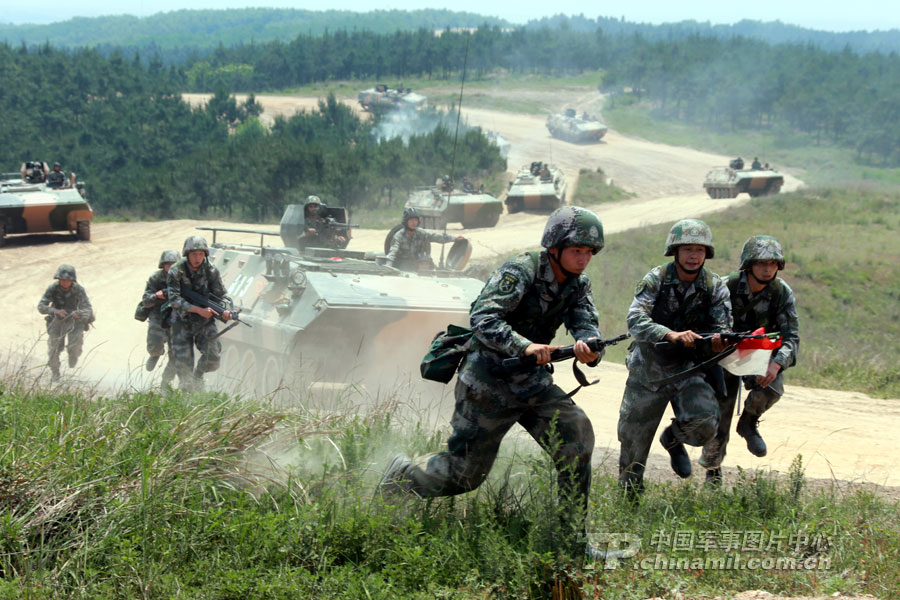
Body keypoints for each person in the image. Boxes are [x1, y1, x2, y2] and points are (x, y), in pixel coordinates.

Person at [379, 206, 606, 553]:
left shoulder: (578, 284)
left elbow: (586, 323)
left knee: (577, 435)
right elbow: (483, 318)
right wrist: (526, 346)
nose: (584, 259)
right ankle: (403, 476)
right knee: (465, 475)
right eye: (577, 250)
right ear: (555, 247)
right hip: (488, 381)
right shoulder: (522, 269)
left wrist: (588, 347)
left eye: (590, 252)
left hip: (531, 382)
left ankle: (572, 541)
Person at [617, 219, 732, 498]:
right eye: (688, 249)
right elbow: (635, 319)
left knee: (706, 423)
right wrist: (670, 334)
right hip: (649, 372)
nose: (694, 256)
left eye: (700, 250)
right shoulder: (655, 279)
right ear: (675, 251)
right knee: (633, 443)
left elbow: (723, 328)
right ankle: (628, 499)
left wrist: (719, 343)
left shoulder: (715, 286)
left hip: (689, 370)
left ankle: (673, 438)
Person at [700, 236, 799, 485]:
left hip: (760, 353)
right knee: (720, 412)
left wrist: (777, 364)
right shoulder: (725, 287)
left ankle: (748, 422)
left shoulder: (781, 292)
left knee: (773, 388)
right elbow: (706, 324)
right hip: (725, 354)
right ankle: (713, 469)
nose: (767, 269)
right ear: (749, 264)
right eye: (762, 263)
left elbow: (791, 336)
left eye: (773, 264)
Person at [166, 236, 233, 392]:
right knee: (184, 368)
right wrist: (198, 309)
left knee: (214, 358)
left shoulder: (211, 270)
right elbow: (174, 300)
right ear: (187, 254)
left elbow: (221, 295)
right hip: (181, 321)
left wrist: (227, 311)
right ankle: (188, 399)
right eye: (194, 254)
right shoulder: (176, 270)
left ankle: (199, 376)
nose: (198, 258)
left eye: (201, 254)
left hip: (205, 322)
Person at [37, 264, 94, 380]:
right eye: (62, 279)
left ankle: (73, 357)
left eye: (67, 280)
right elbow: (41, 306)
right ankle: (55, 373)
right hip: (57, 321)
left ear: (72, 280)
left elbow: (88, 308)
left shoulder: (78, 289)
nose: (64, 282)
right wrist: (55, 311)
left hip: (75, 322)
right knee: (53, 349)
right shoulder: (53, 288)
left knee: (74, 348)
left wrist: (78, 313)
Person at [141, 249, 180, 386]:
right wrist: (156, 296)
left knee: (177, 354)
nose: (170, 267)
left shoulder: (185, 279)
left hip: (178, 317)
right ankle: (155, 354)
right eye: (167, 264)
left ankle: (166, 381)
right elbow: (146, 299)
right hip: (158, 314)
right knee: (155, 340)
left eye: (173, 264)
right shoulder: (155, 278)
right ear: (162, 265)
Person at [384, 207, 463, 271]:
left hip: (418, 266)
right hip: (402, 266)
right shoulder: (399, 236)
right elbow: (393, 251)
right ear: (406, 221)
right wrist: (388, 264)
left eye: (415, 220)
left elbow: (437, 237)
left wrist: (454, 238)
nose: (414, 222)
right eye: (411, 220)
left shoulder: (421, 233)